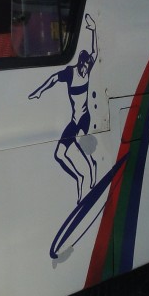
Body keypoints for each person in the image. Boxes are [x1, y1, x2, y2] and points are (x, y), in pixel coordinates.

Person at [29, 14, 98, 201]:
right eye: (84, 67)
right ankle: (80, 177)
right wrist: (39, 91)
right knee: (59, 154)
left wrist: (93, 31)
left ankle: (92, 166)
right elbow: (53, 79)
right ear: (79, 64)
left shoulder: (87, 67)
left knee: (81, 144)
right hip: (74, 120)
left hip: (84, 117)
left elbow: (95, 52)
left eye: (87, 68)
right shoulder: (70, 73)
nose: (86, 71)